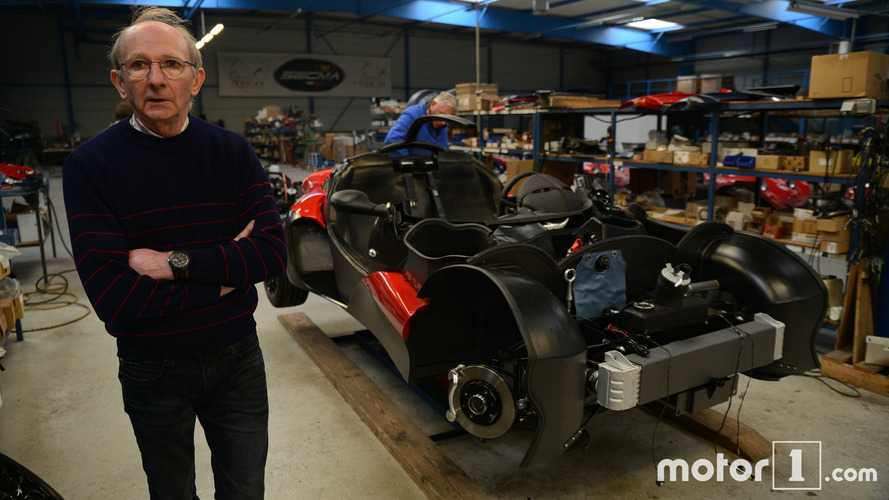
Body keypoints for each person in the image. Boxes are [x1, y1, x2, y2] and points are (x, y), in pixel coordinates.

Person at [63, 7, 285, 499]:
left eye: (172, 65)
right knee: (171, 491)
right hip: (152, 366)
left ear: (196, 79)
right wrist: (228, 273)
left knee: (245, 488)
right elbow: (117, 302)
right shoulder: (89, 167)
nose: (156, 79)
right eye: (139, 66)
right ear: (120, 83)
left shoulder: (232, 153)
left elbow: (270, 255)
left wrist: (172, 265)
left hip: (237, 358)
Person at [383, 91, 456, 152]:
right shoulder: (413, 114)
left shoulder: (442, 122)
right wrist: (406, 161)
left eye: (446, 118)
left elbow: (442, 148)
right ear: (433, 104)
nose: (443, 122)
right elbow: (392, 140)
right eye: (441, 113)